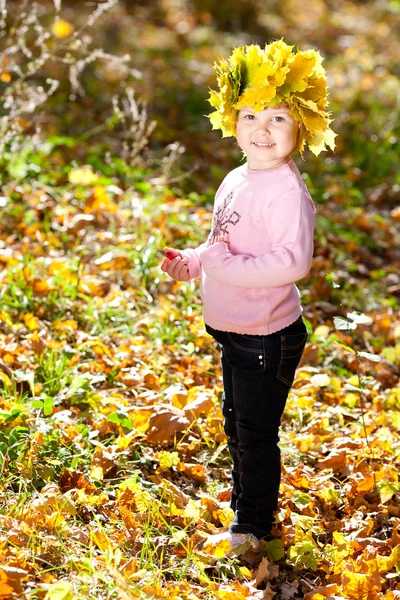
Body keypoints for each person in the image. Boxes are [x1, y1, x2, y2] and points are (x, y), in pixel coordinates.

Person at [161, 40, 335, 553]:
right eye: (251, 114)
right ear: (231, 121)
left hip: (267, 337)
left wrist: (223, 265)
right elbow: (223, 245)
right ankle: (245, 508)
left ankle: (253, 528)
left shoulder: (285, 190)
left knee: (257, 433)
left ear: (302, 127)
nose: (262, 128)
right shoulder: (238, 178)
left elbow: (292, 263)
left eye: (278, 118)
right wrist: (195, 262)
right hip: (235, 334)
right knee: (236, 424)